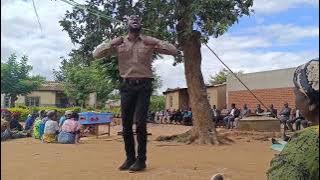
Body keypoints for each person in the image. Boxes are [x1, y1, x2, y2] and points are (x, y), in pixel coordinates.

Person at [93, 15, 179, 171]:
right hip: (126, 87)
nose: (135, 20)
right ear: (127, 24)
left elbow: (174, 51)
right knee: (126, 126)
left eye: (138, 19)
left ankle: (141, 160)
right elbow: (96, 54)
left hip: (144, 86)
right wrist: (111, 43)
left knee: (140, 123)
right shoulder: (119, 42)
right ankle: (129, 158)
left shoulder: (148, 41)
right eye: (132, 19)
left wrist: (157, 42)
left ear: (140, 24)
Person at [267, 59, 319, 180]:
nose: (295, 102)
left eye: (296, 94)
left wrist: (284, 159)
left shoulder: (309, 140)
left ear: (310, 102)